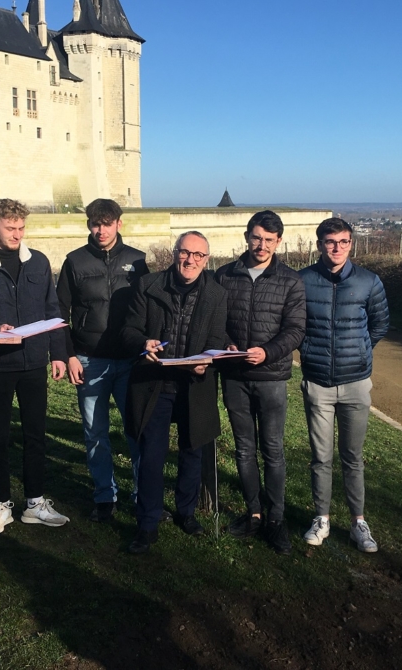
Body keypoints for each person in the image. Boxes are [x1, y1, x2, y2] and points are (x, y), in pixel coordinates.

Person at [0, 199, 69, 533]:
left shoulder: (38, 263)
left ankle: (35, 502)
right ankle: (1, 504)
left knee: (36, 435)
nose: (17, 234)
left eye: (21, 228)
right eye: (10, 228)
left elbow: (53, 311)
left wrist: (59, 354)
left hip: (34, 362)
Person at [120, 231, 229, 554]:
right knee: (152, 455)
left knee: (193, 449)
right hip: (155, 382)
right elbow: (128, 329)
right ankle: (148, 523)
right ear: (174, 253)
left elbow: (218, 339)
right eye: (185, 253)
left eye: (198, 255)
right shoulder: (148, 285)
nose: (190, 260)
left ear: (206, 260)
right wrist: (143, 343)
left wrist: (207, 361)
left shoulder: (217, 294)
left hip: (194, 384)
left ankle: (187, 512)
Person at [214, 210, 305, 554]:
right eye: (256, 237)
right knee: (243, 449)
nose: (262, 245)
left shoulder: (290, 281)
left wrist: (267, 353)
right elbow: (214, 319)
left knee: (273, 451)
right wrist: (225, 343)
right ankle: (253, 512)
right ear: (246, 236)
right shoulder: (225, 276)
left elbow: (295, 329)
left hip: (271, 378)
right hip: (235, 376)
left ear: (278, 241)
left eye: (269, 239)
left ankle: (276, 519)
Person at [298, 218, 389, 553]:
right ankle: (321, 518)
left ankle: (357, 522)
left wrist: (360, 351)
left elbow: (380, 324)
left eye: (344, 242)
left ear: (352, 244)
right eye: (330, 241)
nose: (337, 248)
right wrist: (308, 352)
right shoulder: (303, 280)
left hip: (356, 383)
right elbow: (295, 323)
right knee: (320, 457)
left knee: (353, 457)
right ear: (320, 244)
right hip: (318, 381)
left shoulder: (369, 282)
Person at [57, 198, 150, 522]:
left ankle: (143, 494)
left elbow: (149, 310)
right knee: (95, 432)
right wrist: (67, 354)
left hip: (129, 360)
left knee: (136, 430)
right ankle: (104, 496)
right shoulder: (75, 262)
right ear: (89, 225)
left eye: (106, 223)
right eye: (95, 224)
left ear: (118, 224)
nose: (100, 230)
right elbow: (60, 313)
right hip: (90, 358)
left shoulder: (137, 261)